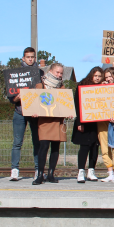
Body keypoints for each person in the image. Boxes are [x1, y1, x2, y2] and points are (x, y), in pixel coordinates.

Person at [32, 63, 69, 185]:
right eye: (57, 72)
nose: (59, 75)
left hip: (58, 121)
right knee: (43, 147)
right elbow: (35, 102)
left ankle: (51, 174)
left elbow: (65, 103)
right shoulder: (40, 85)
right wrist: (34, 111)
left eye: (61, 73)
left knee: (55, 148)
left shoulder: (62, 87)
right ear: (51, 71)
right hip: (45, 121)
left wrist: (68, 112)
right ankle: (40, 175)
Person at [9, 47, 42, 181]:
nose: (30, 59)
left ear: (35, 58)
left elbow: (43, 92)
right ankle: (14, 169)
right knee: (17, 142)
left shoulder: (40, 72)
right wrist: (16, 98)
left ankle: (38, 170)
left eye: (32, 57)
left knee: (37, 142)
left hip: (35, 112)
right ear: (23, 58)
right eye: (28, 57)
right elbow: (11, 96)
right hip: (20, 111)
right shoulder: (15, 74)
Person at [72, 67, 102, 184]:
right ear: (91, 75)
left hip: (96, 121)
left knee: (95, 146)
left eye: (99, 76)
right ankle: (81, 171)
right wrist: (79, 122)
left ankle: (91, 170)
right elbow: (77, 104)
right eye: (96, 76)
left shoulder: (102, 88)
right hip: (84, 121)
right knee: (84, 146)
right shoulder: (82, 85)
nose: (97, 78)